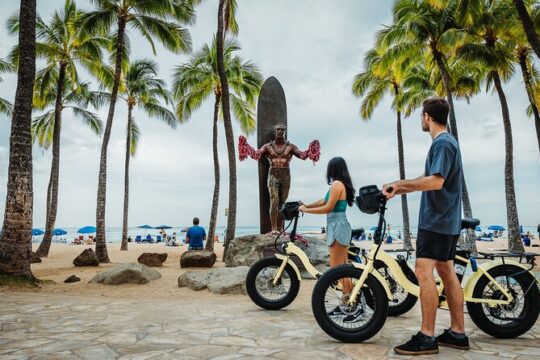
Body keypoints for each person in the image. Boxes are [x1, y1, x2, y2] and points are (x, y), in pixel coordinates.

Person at [383, 97, 468, 355]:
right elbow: (427, 177)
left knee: (423, 271)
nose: (422, 119)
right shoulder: (447, 142)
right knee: (446, 271)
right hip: (446, 220)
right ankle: (457, 333)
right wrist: (400, 187)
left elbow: (436, 182)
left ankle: (427, 336)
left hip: (436, 220)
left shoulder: (442, 143)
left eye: (422, 115)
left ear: (427, 116)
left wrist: (401, 185)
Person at [299, 157, 355, 319]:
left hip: (337, 226)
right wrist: (307, 205)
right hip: (337, 225)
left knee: (337, 269)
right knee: (342, 269)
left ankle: (349, 305)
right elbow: (324, 201)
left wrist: (306, 211)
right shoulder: (337, 185)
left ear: (332, 169)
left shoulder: (337, 185)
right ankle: (348, 303)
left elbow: (328, 207)